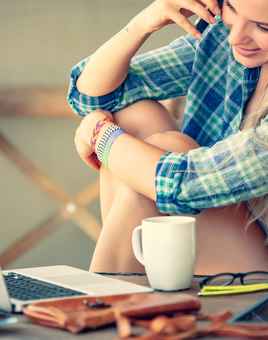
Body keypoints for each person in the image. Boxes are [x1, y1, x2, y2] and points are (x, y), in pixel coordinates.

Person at [68, 0, 268, 274]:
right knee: (133, 116)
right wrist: (145, 22)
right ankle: (121, 292)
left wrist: (99, 135)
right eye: (232, 8)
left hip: (258, 278)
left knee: (164, 151)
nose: (236, 36)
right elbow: (92, 96)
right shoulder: (222, 40)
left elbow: (184, 185)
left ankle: (102, 295)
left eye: (263, 27)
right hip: (213, 233)